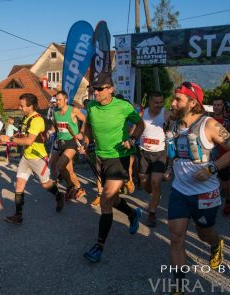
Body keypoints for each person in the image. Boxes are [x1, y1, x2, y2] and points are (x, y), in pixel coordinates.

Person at [166, 82, 230, 294]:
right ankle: (179, 286)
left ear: (192, 103)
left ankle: (216, 244)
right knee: (176, 236)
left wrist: (212, 168)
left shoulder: (209, 125)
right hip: (179, 191)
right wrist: (170, 168)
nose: (172, 103)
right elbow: (176, 152)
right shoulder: (173, 124)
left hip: (205, 192)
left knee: (203, 233)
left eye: (177, 99)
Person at [80, 72, 144, 263]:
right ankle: (133, 214)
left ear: (111, 89)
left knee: (106, 199)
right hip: (101, 158)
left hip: (119, 158)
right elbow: (88, 127)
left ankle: (98, 246)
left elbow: (140, 124)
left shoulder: (123, 106)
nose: (96, 92)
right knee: (113, 197)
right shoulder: (91, 107)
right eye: (94, 89)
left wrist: (132, 139)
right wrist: (85, 141)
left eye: (100, 89)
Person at [0, 93, 65, 224]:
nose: (19, 108)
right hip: (26, 157)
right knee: (19, 185)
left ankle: (59, 196)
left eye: (22, 106)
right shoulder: (25, 118)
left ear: (31, 106)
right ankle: (18, 216)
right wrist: (9, 138)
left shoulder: (37, 120)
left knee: (46, 184)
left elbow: (29, 141)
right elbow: (23, 134)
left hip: (38, 158)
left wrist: (10, 139)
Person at [138, 91, 170, 227]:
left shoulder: (166, 113)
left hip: (159, 153)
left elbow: (177, 125)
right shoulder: (142, 114)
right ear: (149, 102)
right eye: (156, 102)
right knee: (144, 181)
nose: (159, 105)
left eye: (161, 102)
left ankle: (152, 213)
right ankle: (155, 196)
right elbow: (135, 128)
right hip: (144, 153)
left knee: (156, 182)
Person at [53, 91, 87, 200]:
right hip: (61, 143)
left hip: (72, 142)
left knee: (60, 165)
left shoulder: (73, 110)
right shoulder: (55, 112)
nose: (57, 102)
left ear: (66, 100)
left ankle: (70, 187)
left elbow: (86, 121)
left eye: (59, 100)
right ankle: (79, 188)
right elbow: (55, 126)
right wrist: (50, 131)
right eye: (56, 100)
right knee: (69, 170)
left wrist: (81, 133)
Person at [211, 98, 230, 216]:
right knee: (209, 182)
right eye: (214, 105)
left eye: (219, 105)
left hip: (225, 158)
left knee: (224, 185)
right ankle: (209, 204)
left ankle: (228, 200)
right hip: (210, 157)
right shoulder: (208, 120)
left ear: (224, 107)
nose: (216, 107)